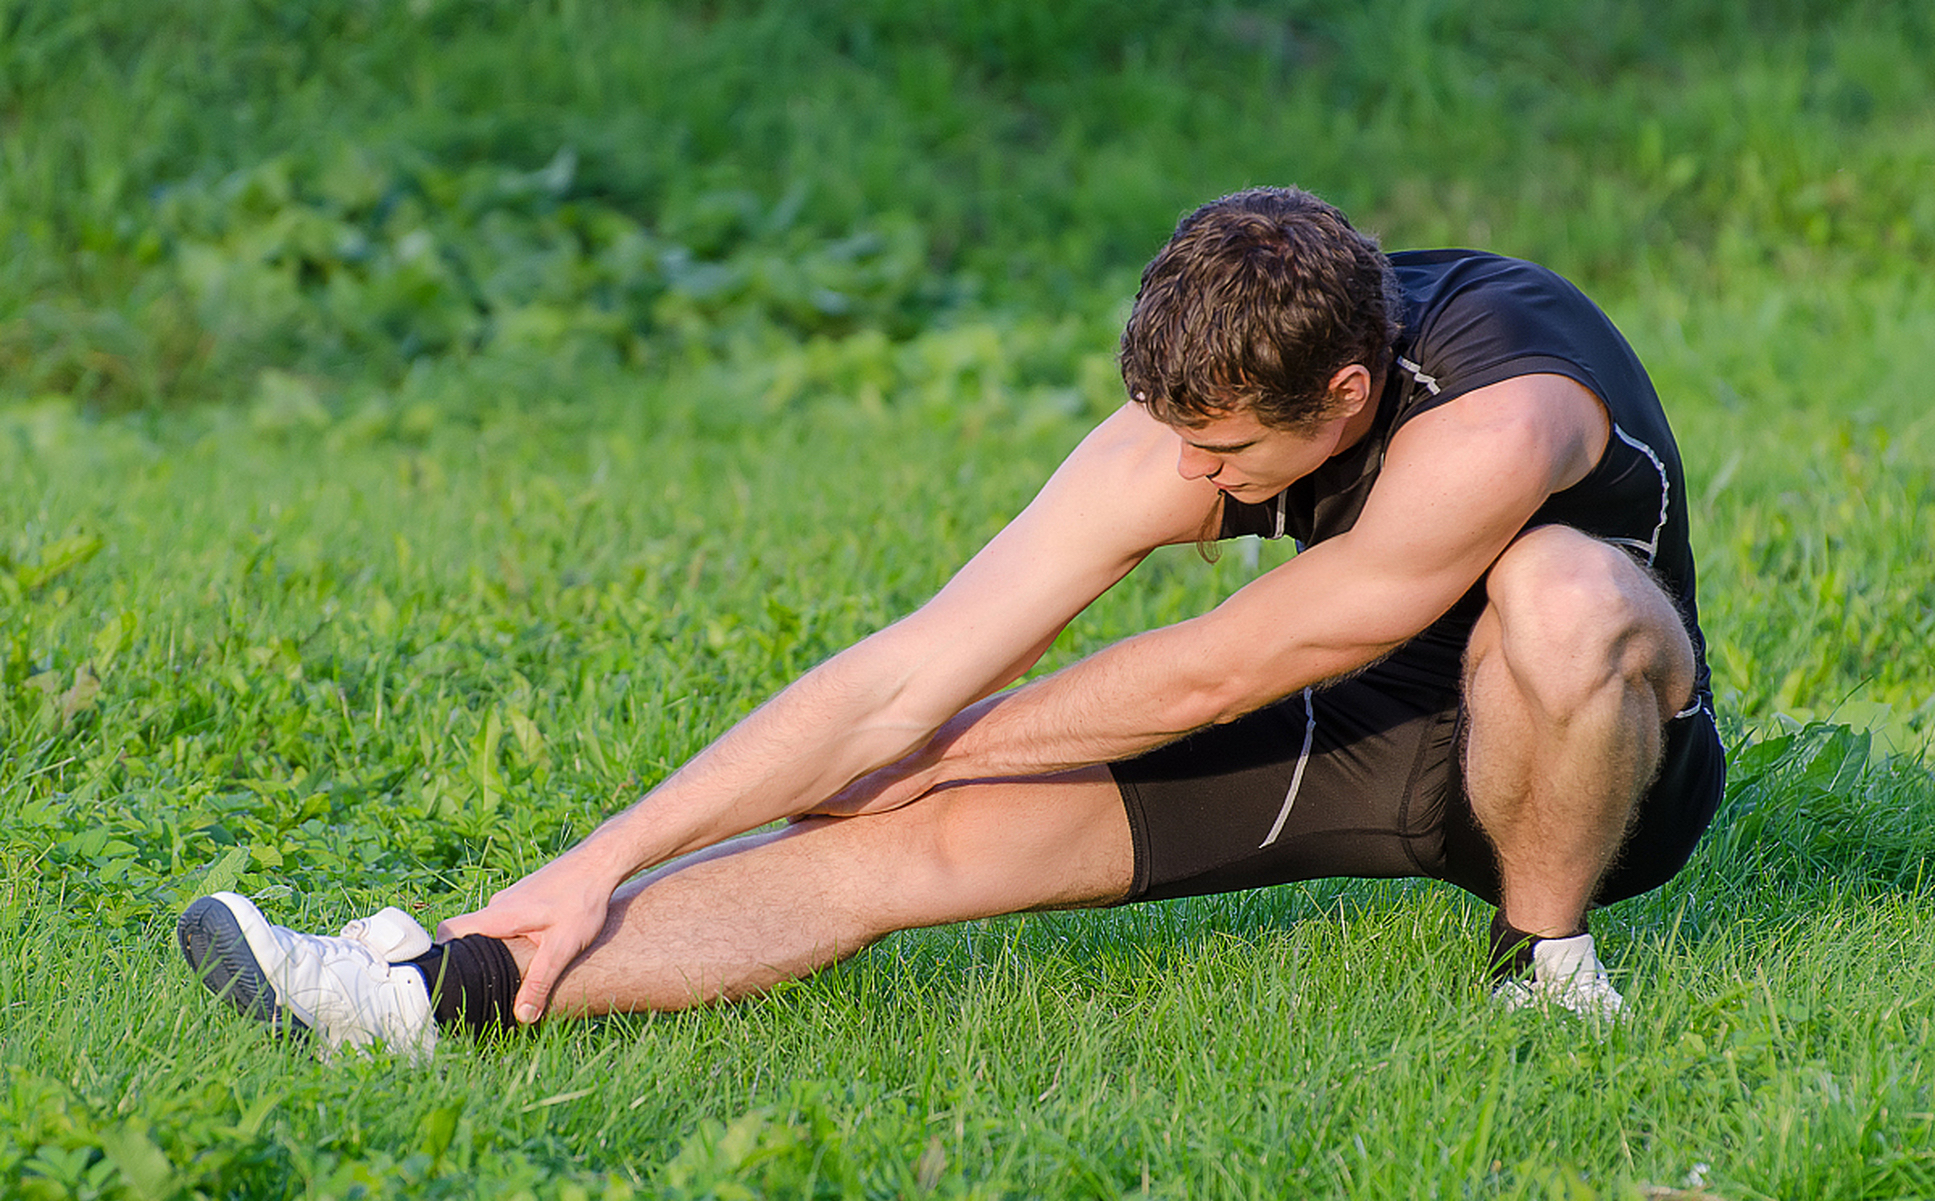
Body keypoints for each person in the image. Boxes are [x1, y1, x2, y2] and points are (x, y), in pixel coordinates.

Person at [177, 186, 1724, 1056]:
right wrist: (605, 856)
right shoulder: (1213, 405)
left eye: (1226, 460)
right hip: (1379, 735)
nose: (1190, 482)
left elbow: (1239, 656)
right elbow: (914, 663)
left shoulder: (1502, 419)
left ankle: (1547, 966)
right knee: (907, 849)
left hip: (1602, 772)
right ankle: (413, 999)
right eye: (1172, 438)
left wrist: (944, 752)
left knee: (1558, 592)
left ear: (1344, 396)